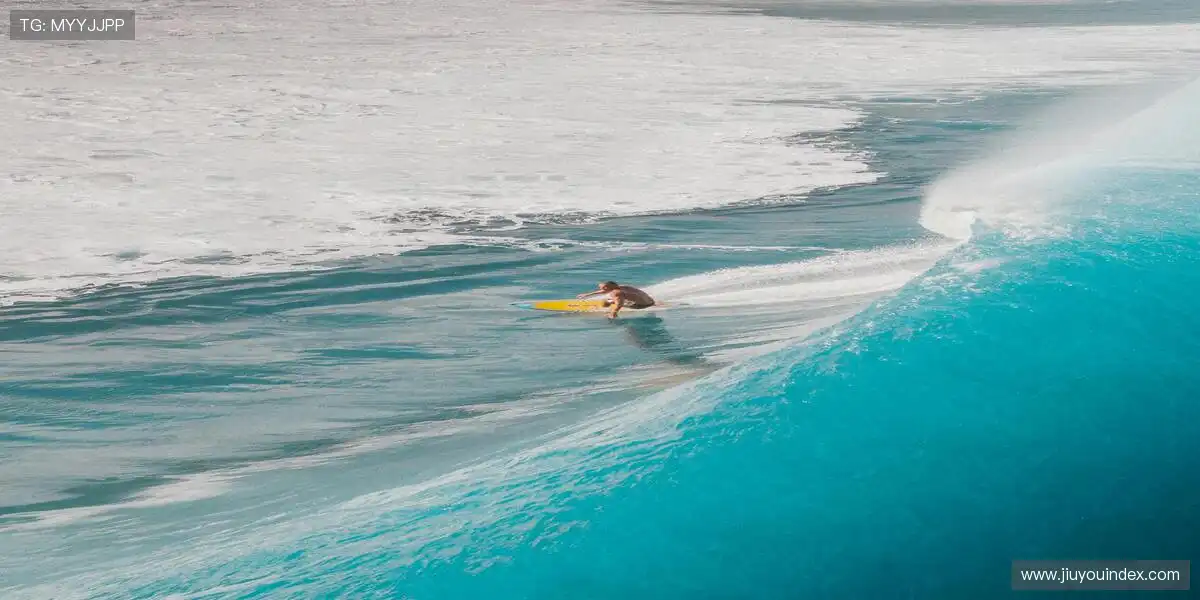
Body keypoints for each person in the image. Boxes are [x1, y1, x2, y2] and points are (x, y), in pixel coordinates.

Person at [577, 281, 655, 319]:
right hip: (651, 301)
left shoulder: (616, 293)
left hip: (641, 306)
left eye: (604, 288)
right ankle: (655, 304)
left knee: (606, 302)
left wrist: (613, 313)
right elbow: (604, 291)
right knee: (624, 298)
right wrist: (587, 294)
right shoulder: (623, 287)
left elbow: (619, 304)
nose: (601, 289)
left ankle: (609, 305)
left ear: (609, 287)